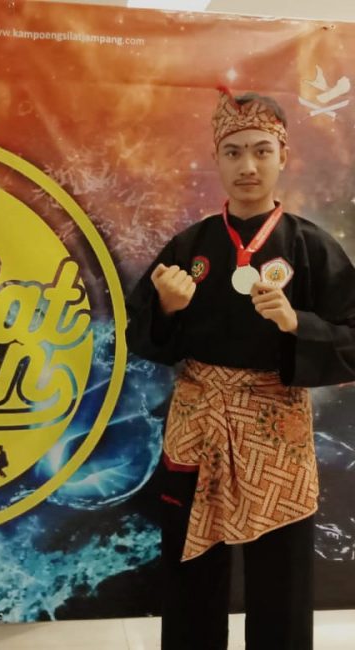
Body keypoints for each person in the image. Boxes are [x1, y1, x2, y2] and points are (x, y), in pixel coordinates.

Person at [125, 87, 355, 650]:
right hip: (198, 421)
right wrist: (167, 309)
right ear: (216, 159)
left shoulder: (312, 247)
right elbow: (139, 333)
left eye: (261, 151)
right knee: (191, 564)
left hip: (276, 429)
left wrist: (299, 325)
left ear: (283, 157)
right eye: (233, 152)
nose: (247, 166)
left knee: (282, 572)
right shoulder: (189, 245)